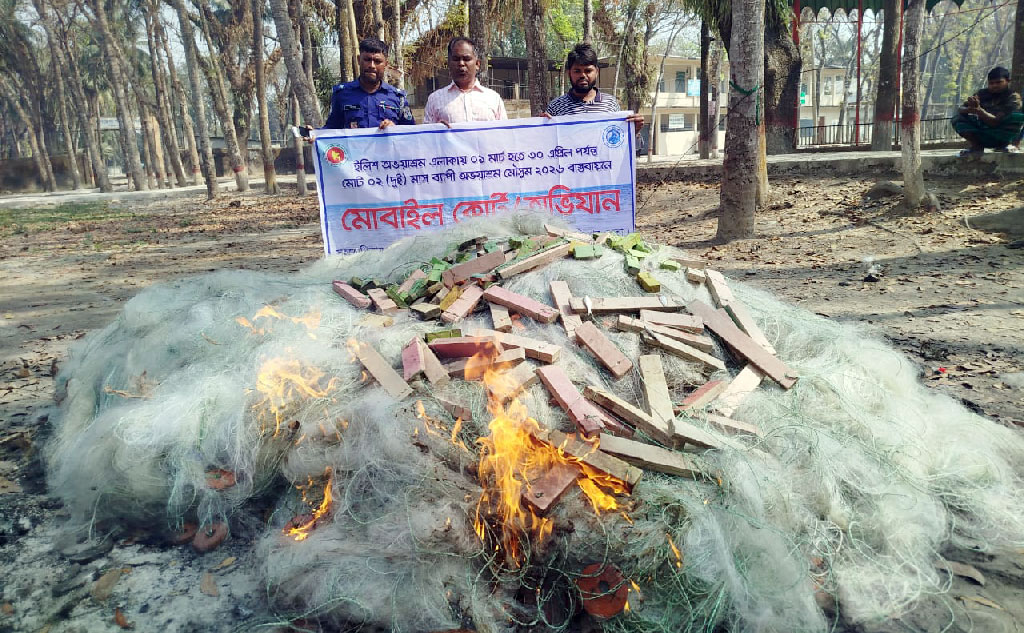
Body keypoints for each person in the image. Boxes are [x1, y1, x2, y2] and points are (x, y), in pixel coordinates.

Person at [320, 38, 414, 131]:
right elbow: (330, 130)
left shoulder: (398, 98)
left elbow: (411, 134)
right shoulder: (341, 94)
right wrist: (315, 134)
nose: (372, 65)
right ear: (358, 60)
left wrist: (395, 129)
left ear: (386, 64)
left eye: (377, 61)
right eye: (367, 59)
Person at [544, 43, 644, 131]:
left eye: (588, 71)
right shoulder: (555, 107)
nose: (582, 75)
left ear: (596, 72)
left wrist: (633, 129)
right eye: (577, 71)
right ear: (569, 73)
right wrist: (541, 127)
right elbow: (548, 143)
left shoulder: (610, 104)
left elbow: (617, 140)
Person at [423, 37, 507, 124]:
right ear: (449, 64)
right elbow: (426, 136)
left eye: (466, 59)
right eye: (456, 59)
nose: (461, 63)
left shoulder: (493, 99)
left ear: (477, 64)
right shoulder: (435, 100)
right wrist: (438, 130)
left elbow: (505, 134)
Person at [952, 66, 1024, 156]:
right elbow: (961, 108)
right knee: (957, 118)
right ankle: (977, 147)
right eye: (991, 83)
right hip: (984, 132)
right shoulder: (982, 94)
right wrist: (969, 109)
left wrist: (979, 111)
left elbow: (996, 122)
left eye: (999, 82)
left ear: (1008, 81)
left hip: (1003, 134)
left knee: (1017, 116)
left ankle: (1011, 144)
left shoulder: (1013, 97)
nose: (994, 86)